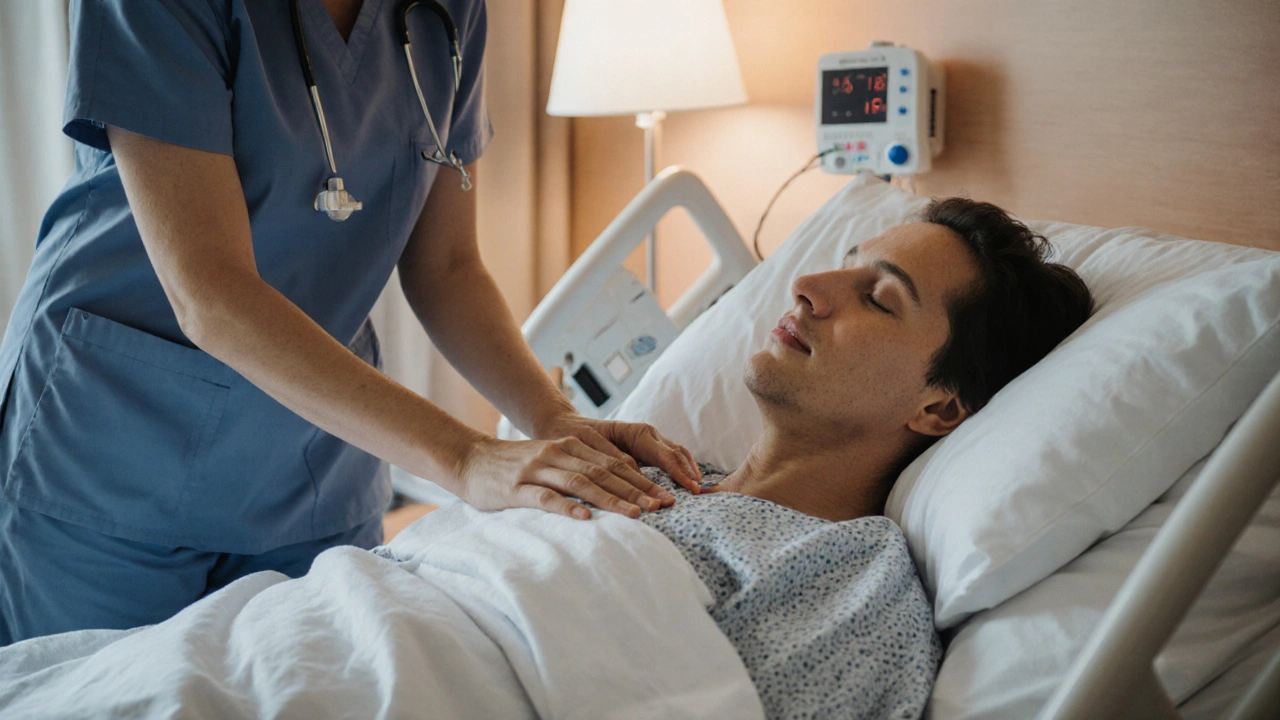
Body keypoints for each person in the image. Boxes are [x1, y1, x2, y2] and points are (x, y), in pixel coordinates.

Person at [0, 0, 700, 646]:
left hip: (312, 457)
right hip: (114, 444)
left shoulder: (450, 13)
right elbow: (209, 293)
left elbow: (448, 266)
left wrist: (550, 415)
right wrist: (463, 456)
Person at [633, 197, 1095, 717]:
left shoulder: (853, 589)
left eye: (877, 298)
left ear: (939, 406)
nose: (807, 286)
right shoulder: (643, 469)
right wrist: (517, 463)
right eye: (846, 267)